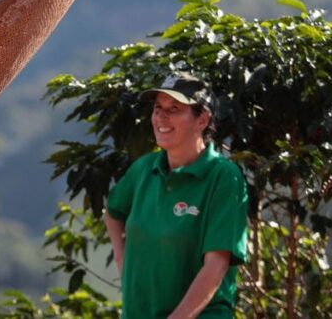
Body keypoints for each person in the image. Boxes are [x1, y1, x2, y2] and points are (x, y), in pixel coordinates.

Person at [105, 73, 249, 318]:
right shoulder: (144, 169)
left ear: (202, 119)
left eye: (174, 109)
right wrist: (122, 259)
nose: (161, 117)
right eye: (157, 108)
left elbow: (216, 266)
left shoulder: (224, 177)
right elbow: (113, 212)